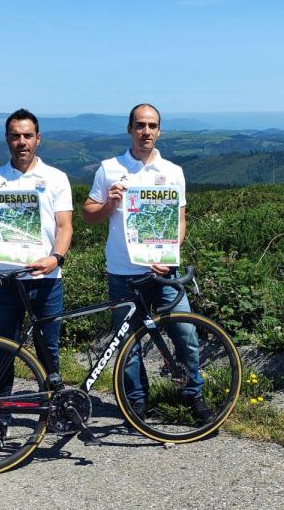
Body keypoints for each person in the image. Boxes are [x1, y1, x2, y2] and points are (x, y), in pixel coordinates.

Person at [82, 103, 212, 423]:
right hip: (123, 272)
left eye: (152, 126)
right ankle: (137, 402)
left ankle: (193, 394)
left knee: (186, 333)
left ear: (159, 131)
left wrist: (169, 254)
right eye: (140, 125)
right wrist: (109, 203)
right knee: (127, 343)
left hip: (165, 272)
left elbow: (180, 221)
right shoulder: (109, 168)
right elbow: (88, 214)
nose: (146, 132)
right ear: (130, 129)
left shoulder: (173, 172)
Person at [0, 108, 73, 441]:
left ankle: (53, 407)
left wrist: (56, 258)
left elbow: (64, 226)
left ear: (38, 138)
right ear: (7, 139)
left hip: (45, 279)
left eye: (28, 135)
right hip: (7, 279)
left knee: (48, 350)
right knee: (4, 350)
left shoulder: (56, 178)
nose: (22, 142)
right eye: (15, 136)